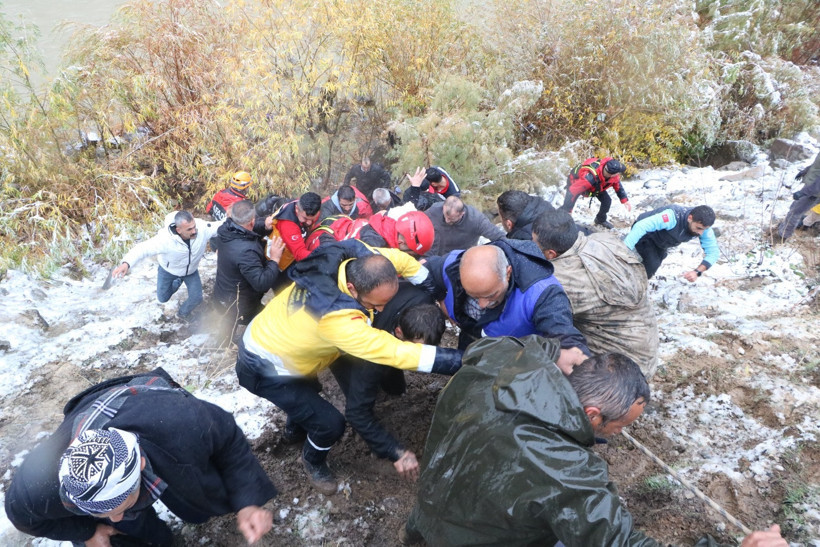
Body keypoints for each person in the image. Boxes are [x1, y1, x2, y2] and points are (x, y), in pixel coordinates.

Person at [402, 336, 788, 547]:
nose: (619, 434)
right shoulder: (570, 469)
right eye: (619, 426)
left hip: (429, 502)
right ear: (591, 415)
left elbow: (494, 345)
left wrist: (554, 351)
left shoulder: (495, 364)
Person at [235, 240, 463, 495]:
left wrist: (431, 289)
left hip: (284, 340)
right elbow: (395, 352)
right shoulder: (337, 320)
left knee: (307, 391)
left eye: (386, 302)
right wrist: (463, 361)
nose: (381, 310)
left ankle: (293, 430)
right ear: (353, 288)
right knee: (329, 424)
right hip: (264, 364)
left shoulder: (357, 257)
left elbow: (404, 261)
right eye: (375, 305)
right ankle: (312, 461)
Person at [5, 368, 276, 546]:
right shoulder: (38, 488)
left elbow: (228, 440)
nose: (116, 518)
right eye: (105, 511)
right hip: (94, 413)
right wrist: (87, 532)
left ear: (142, 464)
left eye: (120, 506)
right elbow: (21, 517)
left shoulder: (184, 423)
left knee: (186, 495)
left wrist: (247, 502)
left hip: (147, 410)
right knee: (122, 532)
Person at [330, 283, 446, 481]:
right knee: (358, 393)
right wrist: (395, 452)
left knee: (395, 386)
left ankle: (394, 386)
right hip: (337, 340)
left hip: (388, 330)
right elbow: (356, 413)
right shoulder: (371, 352)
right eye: (414, 351)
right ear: (399, 332)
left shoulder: (426, 306)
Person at [424, 239, 589, 371]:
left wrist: (569, 351)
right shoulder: (454, 264)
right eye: (473, 296)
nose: (481, 305)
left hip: (512, 359)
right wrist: (441, 299)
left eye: (490, 295)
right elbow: (426, 271)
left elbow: (562, 330)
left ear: (508, 273)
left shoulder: (542, 293)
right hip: (471, 336)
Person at [532, 208, 659, 377]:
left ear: (550, 253)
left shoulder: (561, 279)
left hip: (619, 372)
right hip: (648, 348)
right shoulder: (604, 239)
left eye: (535, 244)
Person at [112, 211, 222, 319]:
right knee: (163, 298)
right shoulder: (165, 240)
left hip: (190, 271)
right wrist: (126, 263)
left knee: (197, 298)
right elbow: (142, 249)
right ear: (178, 230)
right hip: (168, 271)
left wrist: (235, 214)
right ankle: (178, 280)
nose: (194, 231)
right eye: (189, 229)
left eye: (194, 227)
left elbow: (221, 226)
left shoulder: (202, 228)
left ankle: (182, 314)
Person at [212, 200, 286, 330]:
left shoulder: (224, 230)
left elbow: (243, 229)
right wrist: (275, 259)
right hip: (240, 306)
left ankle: (223, 345)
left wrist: (264, 225)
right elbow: (261, 283)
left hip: (222, 295)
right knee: (267, 322)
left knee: (227, 327)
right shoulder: (246, 251)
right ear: (252, 221)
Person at [624, 204, 719, 280]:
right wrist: (624, 249)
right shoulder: (672, 216)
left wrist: (697, 272)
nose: (701, 233)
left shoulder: (704, 227)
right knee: (652, 265)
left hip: (663, 242)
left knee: (656, 262)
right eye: (698, 228)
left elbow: (713, 252)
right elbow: (641, 226)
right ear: (690, 218)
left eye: (704, 229)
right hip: (647, 234)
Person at [305, 209, 436, 258]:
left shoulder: (385, 225)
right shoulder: (373, 248)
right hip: (321, 246)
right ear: (401, 242)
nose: (412, 257)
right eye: (411, 254)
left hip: (334, 229)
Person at [561, 157, 631, 229]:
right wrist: (568, 211)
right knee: (567, 208)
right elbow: (571, 192)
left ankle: (600, 220)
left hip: (597, 186)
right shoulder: (589, 179)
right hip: (577, 183)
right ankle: (561, 217)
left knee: (607, 201)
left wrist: (624, 200)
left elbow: (618, 185)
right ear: (612, 174)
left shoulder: (612, 175)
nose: (619, 174)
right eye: (618, 172)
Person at [424, 195, 505, 256]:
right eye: (445, 216)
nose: (446, 220)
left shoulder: (475, 220)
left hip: (458, 259)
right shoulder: (434, 210)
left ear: (461, 214)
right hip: (432, 254)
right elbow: (419, 223)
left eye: (451, 218)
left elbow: (499, 236)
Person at [270, 191, 322, 268]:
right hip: (281, 261)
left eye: (312, 219)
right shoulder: (287, 224)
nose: (309, 223)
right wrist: (321, 259)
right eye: (305, 218)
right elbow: (299, 253)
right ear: (297, 209)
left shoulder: (310, 207)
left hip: (296, 247)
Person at [777, 152, 820, 240]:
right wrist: (805, 171)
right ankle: (784, 227)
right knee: (794, 207)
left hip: (814, 192)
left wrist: (803, 192)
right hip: (811, 187)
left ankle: (783, 236)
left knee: (795, 212)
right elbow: (816, 166)